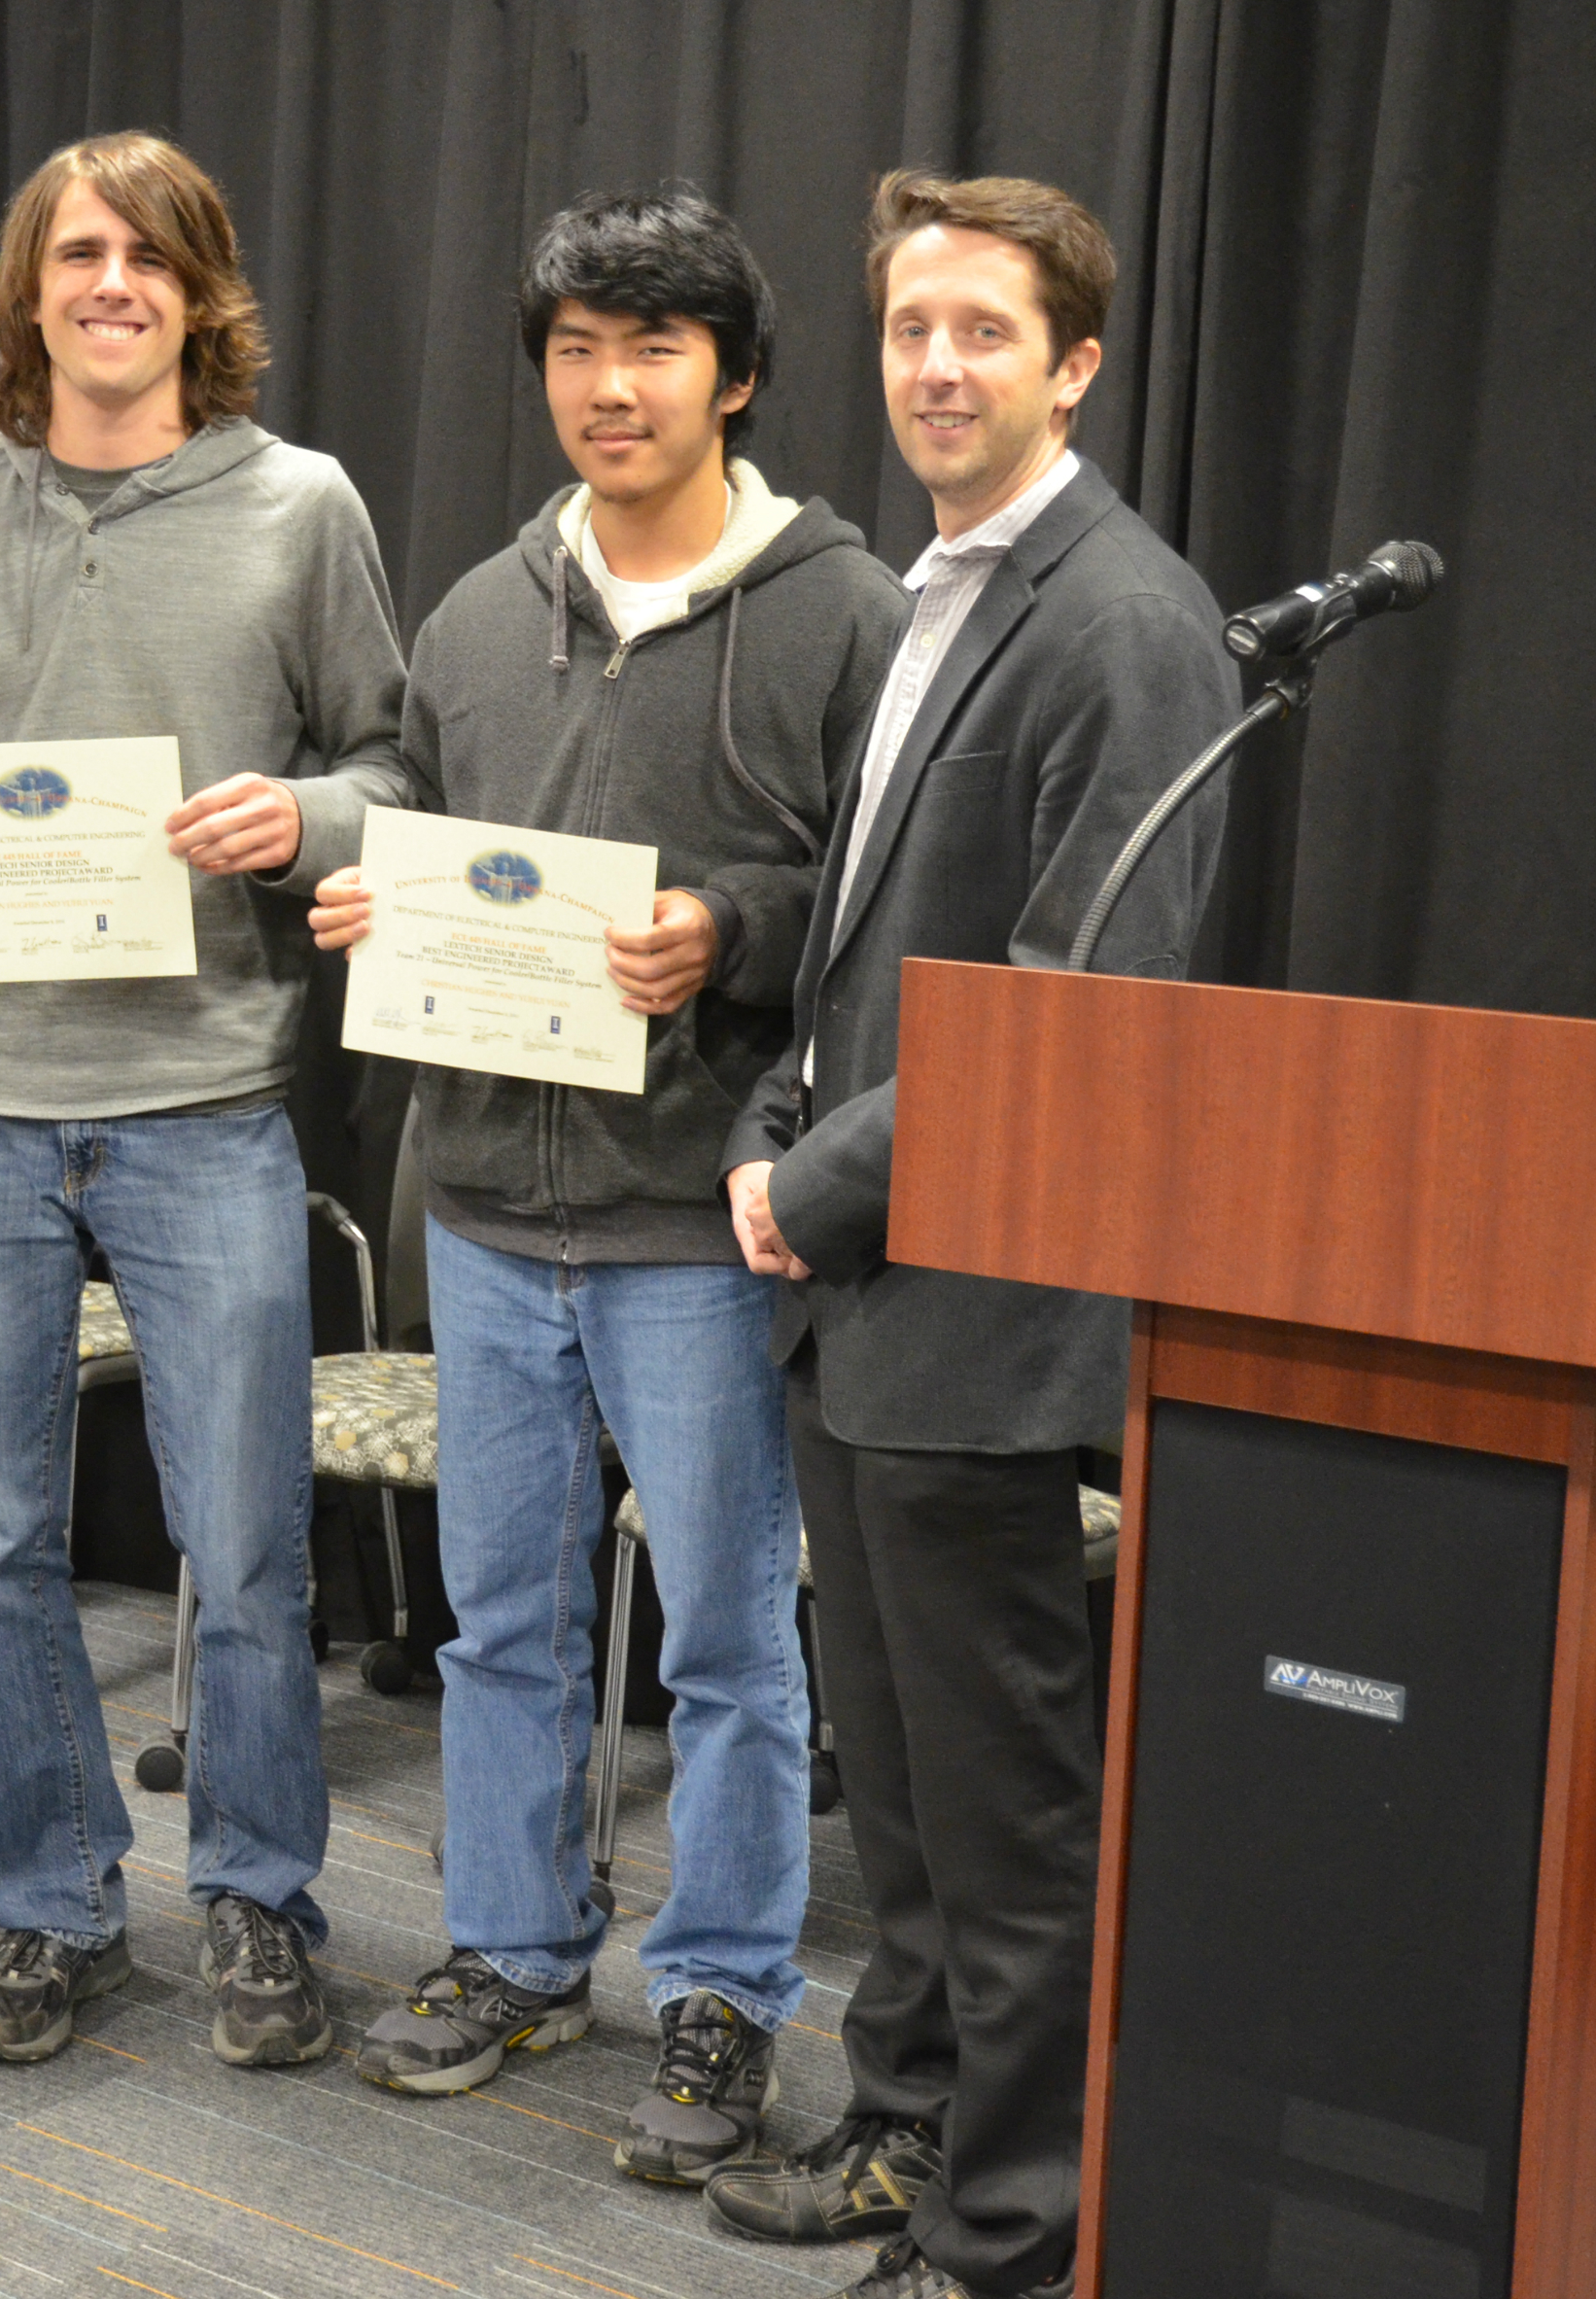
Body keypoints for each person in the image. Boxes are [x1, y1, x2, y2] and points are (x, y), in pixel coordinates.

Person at [310, 191, 906, 2177]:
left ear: (731, 374)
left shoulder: (847, 608)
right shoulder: (483, 609)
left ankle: (725, 1990)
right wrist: (362, 870)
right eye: (575, 347)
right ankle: (514, 1946)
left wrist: (732, 930)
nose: (609, 385)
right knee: (501, 1623)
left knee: (729, 1639)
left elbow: (898, 912)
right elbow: (406, 787)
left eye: (652, 347)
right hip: (481, 1204)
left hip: (698, 1224)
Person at [0, 131, 409, 2069]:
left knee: (242, 1549)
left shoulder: (302, 506)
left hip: (204, 1095)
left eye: (149, 256)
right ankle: (52, 1908)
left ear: (201, 289)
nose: (111, 284)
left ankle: (253, 1903)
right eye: (78, 253)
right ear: (32, 288)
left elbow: (397, 763)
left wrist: (299, 815)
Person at [713, 173, 1238, 2299]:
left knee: (1009, 1833)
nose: (938, 365)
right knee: (909, 1805)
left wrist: (804, 1184)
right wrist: (776, 1130)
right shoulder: (941, 588)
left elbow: (1080, 1022)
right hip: (867, 1311)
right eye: (914, 327)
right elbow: (865, 963)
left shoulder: (1122, 618)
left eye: (987, 333)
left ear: (1076, 363)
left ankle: (1019, 2232)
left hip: (987, 1318)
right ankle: (907, 2136)